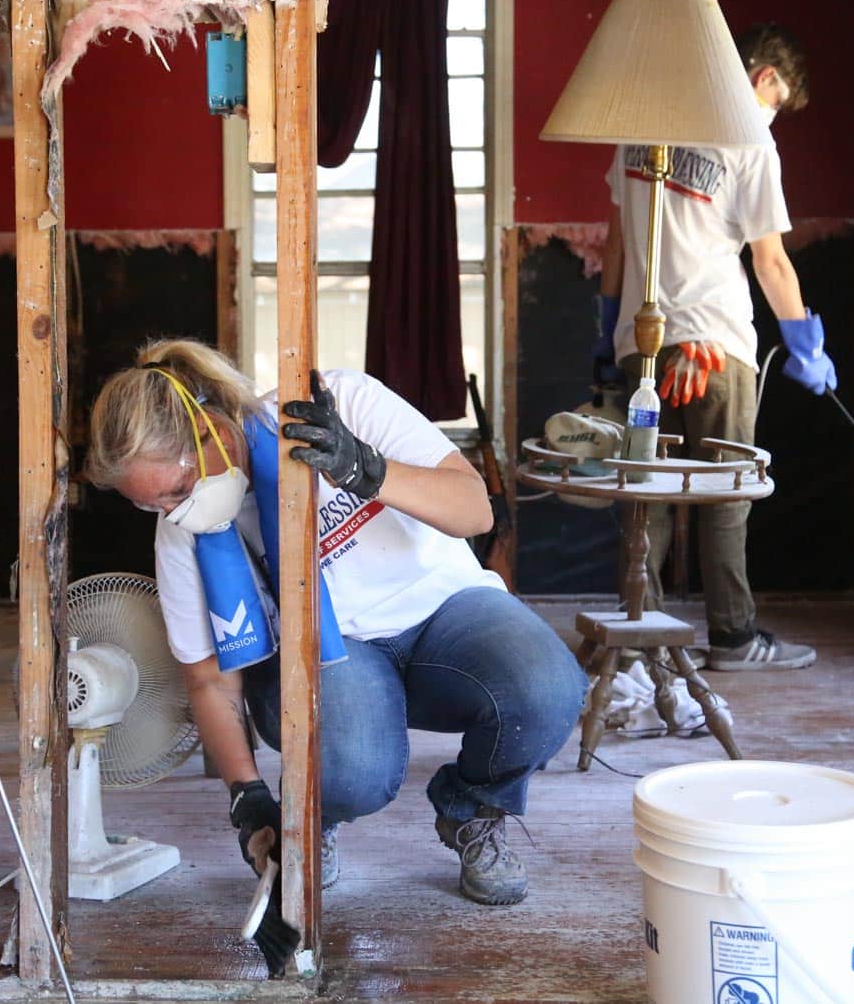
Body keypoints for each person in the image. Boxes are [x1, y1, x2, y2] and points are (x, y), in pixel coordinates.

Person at [85, 339, 587, 934]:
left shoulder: (339, 403)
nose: (173, 513)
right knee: (350, 770)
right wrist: (247, 798)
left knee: (548, 688)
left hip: (443, 611)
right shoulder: (186, 533)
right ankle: (314, 816)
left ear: (212, 426)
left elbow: (475, 511)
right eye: (154, 506)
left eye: (175, 490)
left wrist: (363, 467)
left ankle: (472, 810)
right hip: (327, 654)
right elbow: (208, 678)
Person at [594, 22, 837, 672]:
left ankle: (638, 641)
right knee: (725, 491)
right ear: (762, 79)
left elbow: (617, 241)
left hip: (641, 349)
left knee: (647, 490)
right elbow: (772, 262)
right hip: (715, 350)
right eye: (778, 102)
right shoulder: (749, 138)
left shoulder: (638, 129)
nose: (773, 117)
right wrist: (802, 340)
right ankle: (732, 637)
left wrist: (606, 323)